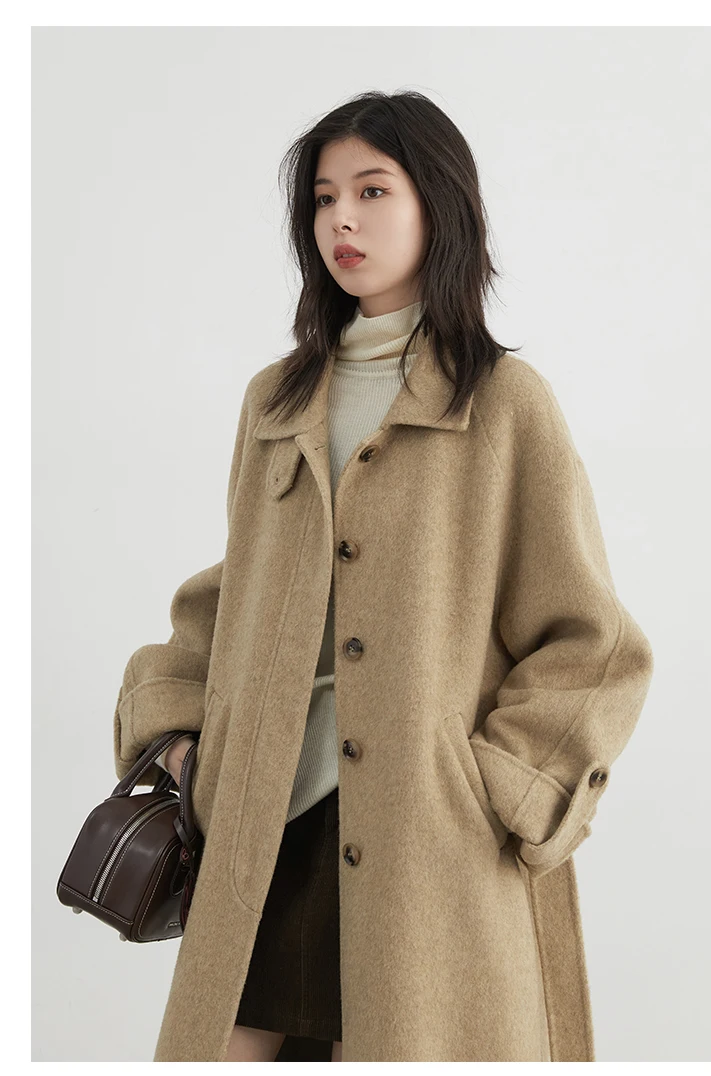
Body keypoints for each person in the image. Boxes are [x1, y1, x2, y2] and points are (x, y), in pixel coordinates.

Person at [116, 90, 653, 1063]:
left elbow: (591, 638)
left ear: (438, 205)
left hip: (426, 845)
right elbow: (232, 591)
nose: (343, 221)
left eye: (372, 190)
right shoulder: (277, 400)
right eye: (325, 198)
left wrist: (498, 783)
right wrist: (180, 736)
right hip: (266, 832)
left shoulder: (504, 404)